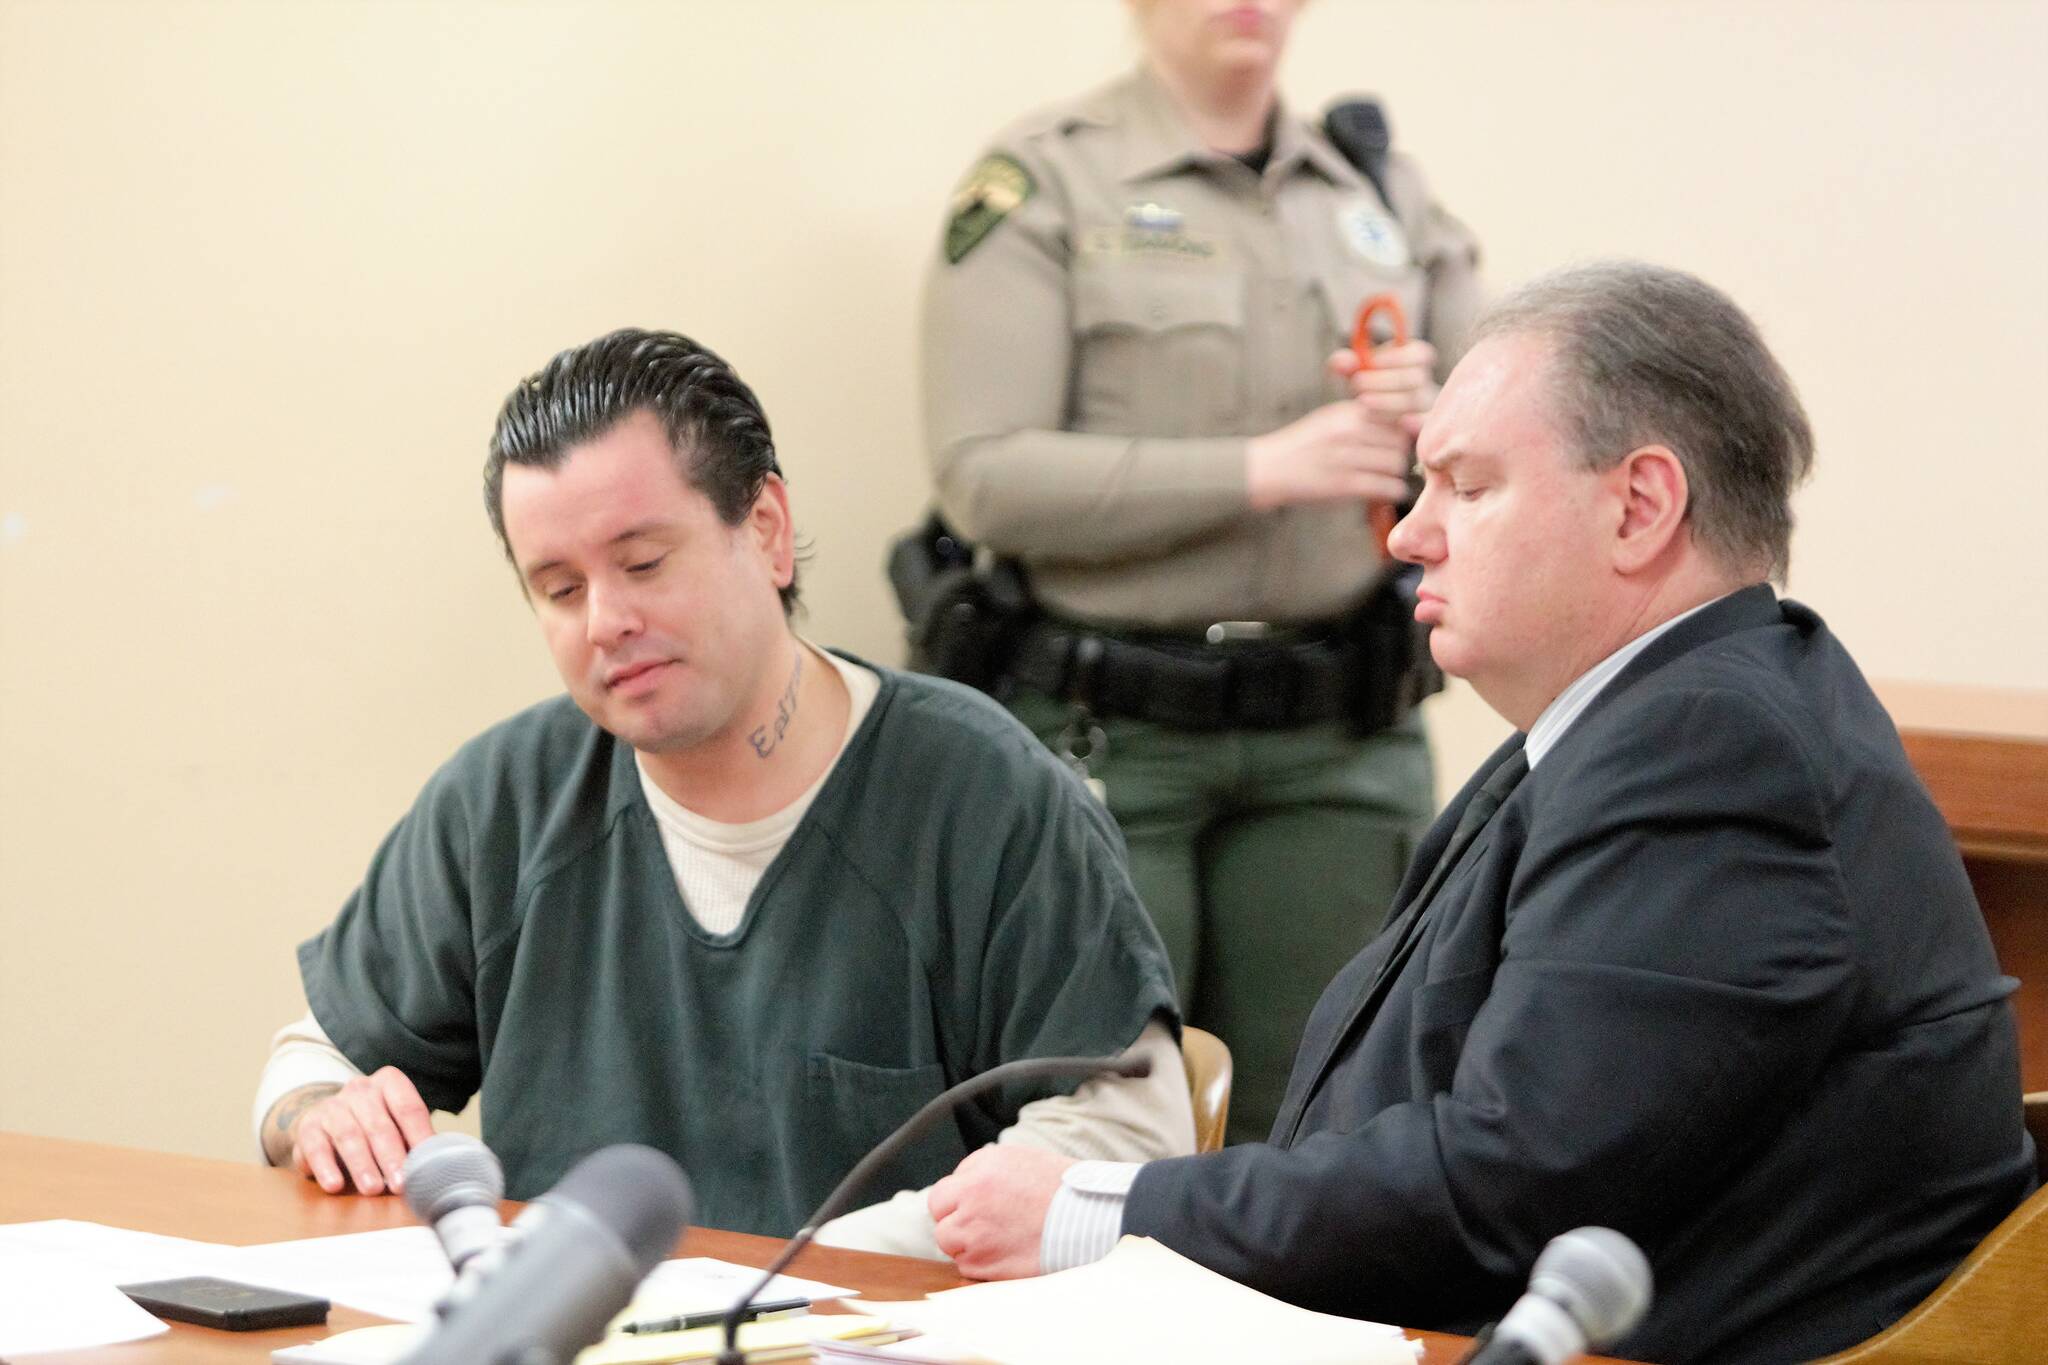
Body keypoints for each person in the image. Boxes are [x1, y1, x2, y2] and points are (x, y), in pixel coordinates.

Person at [923, 262, 2038, 1363]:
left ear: (1639, 506)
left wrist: (1092, 1211)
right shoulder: (1643, 719)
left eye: (1465, 486)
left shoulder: (1711, 748)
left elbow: (1513, 1183)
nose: (1408, 536)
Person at [251, 328, 1193, 1255]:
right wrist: (325, 1115)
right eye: (559, 588)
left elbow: (1127, 1135)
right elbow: (308, 1064)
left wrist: (800, 1278)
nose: (608, 621)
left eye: (644, 563)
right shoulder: (505, 799)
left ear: (768, 530)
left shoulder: (984, 797)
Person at [919, 0, 1482, 1146]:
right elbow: (984, 478)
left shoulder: (1380, 193)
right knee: (1093, 1129)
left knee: (1329, 1129)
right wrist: (1263, 469)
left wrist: (1441, 421)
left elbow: (1517, 446)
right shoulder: (1044, 182)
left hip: (1334, 739)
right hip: (1111, 741)